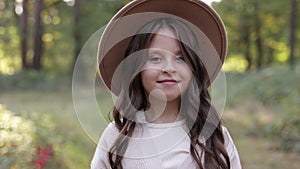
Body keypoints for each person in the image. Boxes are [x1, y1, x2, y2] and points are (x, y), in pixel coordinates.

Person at [92, 0, 242, 169]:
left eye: (181, 58)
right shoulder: (116, 137)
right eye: (155, 58)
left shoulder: (215, 138)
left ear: (194, 67)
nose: (169, 68)